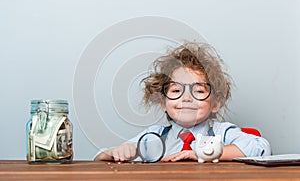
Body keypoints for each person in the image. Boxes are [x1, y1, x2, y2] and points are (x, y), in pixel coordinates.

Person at [94, 42, 271, 162]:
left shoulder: (222, 133)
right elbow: (99, 157)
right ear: (164, 103)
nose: (187, 98)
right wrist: (114, 152)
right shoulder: (154, 137)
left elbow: (261, 147)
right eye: (177, 91)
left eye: (199, 91)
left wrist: (204, 153)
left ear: (215, 103)